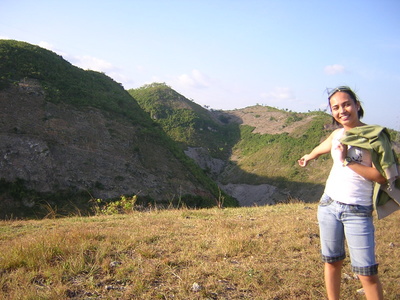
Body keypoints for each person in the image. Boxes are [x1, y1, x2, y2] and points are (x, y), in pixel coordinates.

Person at [298, 86, 392, 300]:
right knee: (332, 262)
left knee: (366, 272)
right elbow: (323, 147)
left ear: (357, 105)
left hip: (357, 210)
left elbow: (381, 176)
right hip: (329, 205)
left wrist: (346, 160)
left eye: (346, 104)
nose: (342, 110)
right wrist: (308, 156)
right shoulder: (337, 134)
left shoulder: (374, 137)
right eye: (336, 107)